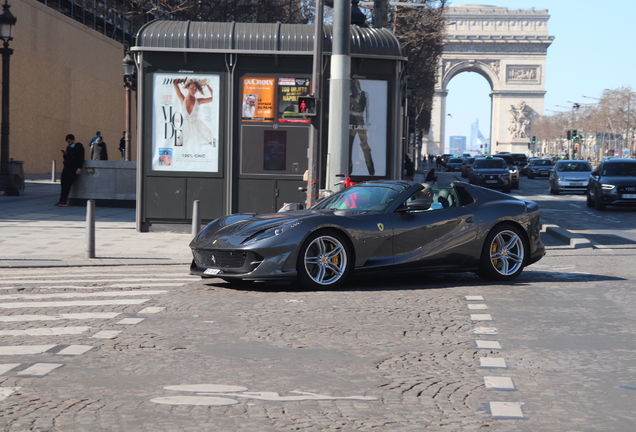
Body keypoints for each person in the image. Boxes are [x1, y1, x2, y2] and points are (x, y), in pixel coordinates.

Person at [173, 78, 215, 146]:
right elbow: (175, 84)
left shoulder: (199, 101)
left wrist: (207, 85)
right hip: (185, 127)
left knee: (211, 142)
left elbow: (215, 97)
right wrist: (178, 80)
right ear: (187, 87)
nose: (194, 90)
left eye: (195, 89)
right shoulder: (182, 99)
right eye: (192, 88)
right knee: (177, 145)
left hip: (198, 126)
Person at [348, 79, 375, 176]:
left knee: (363, 145)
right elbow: (367, 110)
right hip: (356, 120)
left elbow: (367, 109)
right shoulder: (353, 95)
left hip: (357, 120)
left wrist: (367, 123)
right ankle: (369, 170)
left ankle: (371, 169)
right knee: (353, 145)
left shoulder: (360, 95)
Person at [55, 134, 85, 206]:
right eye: (67, 142)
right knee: (63, 183)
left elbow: (81, 158)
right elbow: (66, 158)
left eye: (69, 141)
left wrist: (79, 168)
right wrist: (65, 154)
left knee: (67, 184)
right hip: (66, 167)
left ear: (73, 140)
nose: (69, 143)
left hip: (73, 168)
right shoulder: (68, 147)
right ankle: (61, 200)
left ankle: (64, 200)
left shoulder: (79, 147)